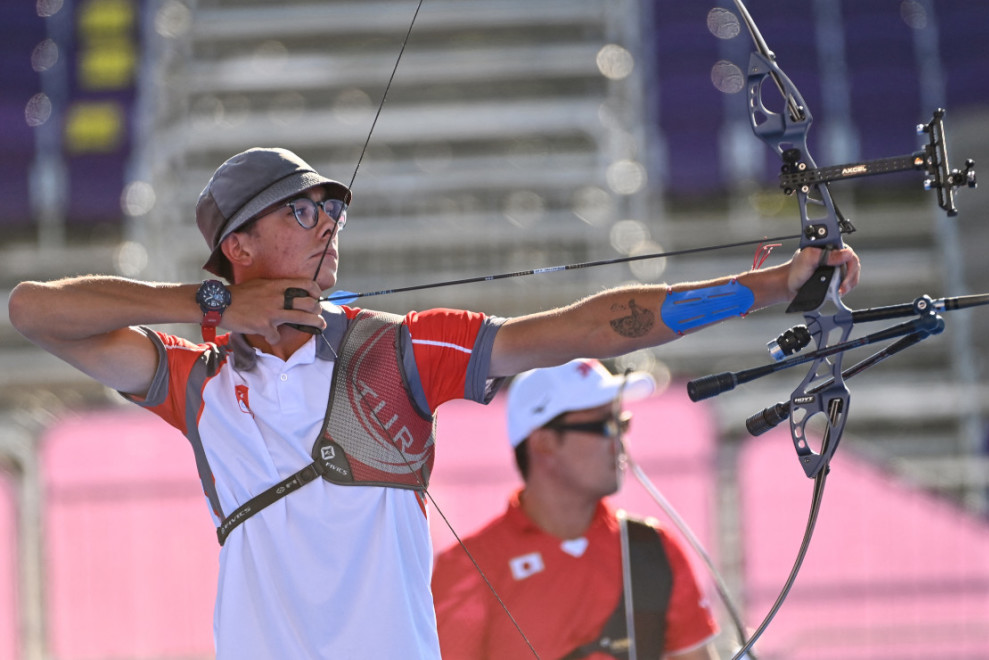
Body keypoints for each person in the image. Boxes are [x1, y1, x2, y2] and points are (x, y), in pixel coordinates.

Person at [7, 147, 859, 659]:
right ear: (239, 246)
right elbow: (32, 310)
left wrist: (765, 287)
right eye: (304, 210)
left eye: (334, 208)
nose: (329, 223)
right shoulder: (198, 384)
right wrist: (213, 308)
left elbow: (590, 328)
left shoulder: (402, 350)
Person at [432, 359, 720, 660]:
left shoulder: (651, 547)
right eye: (604, 427)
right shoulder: (470, 567)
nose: (620, 442)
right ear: (544, 444)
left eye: (621, 424)